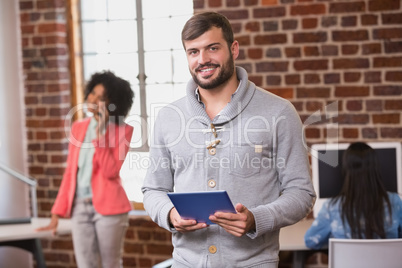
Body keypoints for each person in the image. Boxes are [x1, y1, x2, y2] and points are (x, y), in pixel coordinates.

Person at [141, 12, 316, 267]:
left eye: (213, 48)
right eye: (193, 52)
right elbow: (153, 189)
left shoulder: (279, 112)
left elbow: (301, 193)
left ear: (233, 49)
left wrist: (257, 218)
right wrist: (169, 213)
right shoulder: (169, 117)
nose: (203, 60)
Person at [36, 71, 134, 268]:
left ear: (113, 103)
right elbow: (71, 172)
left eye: (102, 98)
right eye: (93, 94)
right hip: (79, 207)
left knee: (111, 264)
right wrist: (57, 212)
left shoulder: (123, 130)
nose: (94, 100)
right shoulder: (78, 127)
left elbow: (110, 172)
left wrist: (100, 134)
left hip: (110, 208)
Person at [304, 142, 402, 250]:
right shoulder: (395, 203)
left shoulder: (332, 208)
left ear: (346, 171)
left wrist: (335, 236)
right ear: (375, 169)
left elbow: (310, 241)